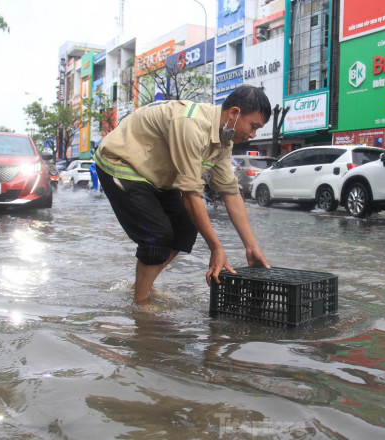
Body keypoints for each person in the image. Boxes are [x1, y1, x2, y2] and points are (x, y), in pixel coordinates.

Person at [94, 85, 271, 303]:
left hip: (155, 174)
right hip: (121, 162)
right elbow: (190, 195)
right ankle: (140, 306)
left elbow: (231, 193)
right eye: (253, 126)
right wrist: (216, 248)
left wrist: (251, 246)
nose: (253, 134)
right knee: (158, 235)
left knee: (185, 228)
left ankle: (142, 285)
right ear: (234, 113)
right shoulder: (191, 124)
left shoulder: (224, 141)